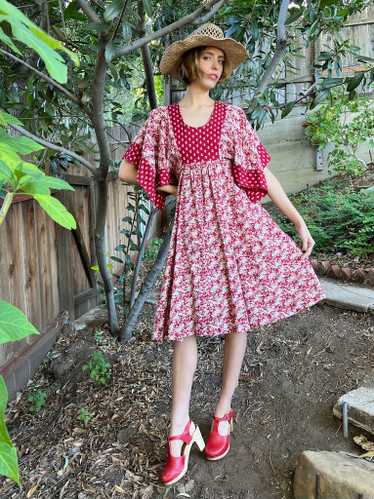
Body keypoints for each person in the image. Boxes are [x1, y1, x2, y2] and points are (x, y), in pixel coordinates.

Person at [118, 23, 326, 486]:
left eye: (221, 61)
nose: (216, 67)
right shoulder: (162, 121)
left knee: (238, 316)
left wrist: (297, 220)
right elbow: (128, 170)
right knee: (185, 325)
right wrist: (181, 185)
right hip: (193, 232)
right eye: (209, 58)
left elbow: (262, 173)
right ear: (191, 63)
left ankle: (223, 408)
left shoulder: (231, 118)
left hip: (236, 228)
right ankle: (179, 429)